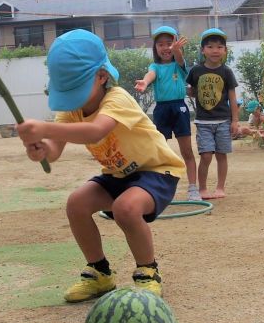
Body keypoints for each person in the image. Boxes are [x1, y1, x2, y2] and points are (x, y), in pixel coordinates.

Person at [17, 29, 186, 303]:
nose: (73, 97)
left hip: (156, 171)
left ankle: (147, 271)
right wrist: (40, 150)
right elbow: (54, 151)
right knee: (77, 203)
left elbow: (96, 131)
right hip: (118, 175)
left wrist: (43, 127)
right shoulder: (70, 109)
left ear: (102, 76)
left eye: (77, 88)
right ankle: (100, 272)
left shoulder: (117, 99)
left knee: (125, 208)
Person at [134, 25, 201, 201]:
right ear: (155, 48)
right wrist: (145, 82)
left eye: (169, 43)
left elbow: (179, 58)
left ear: (176, 45)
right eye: (161, 44)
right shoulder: (154, 66)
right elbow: (150, 74)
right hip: (161, 110)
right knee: (160, 151)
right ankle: (158, 189)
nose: (166, 48)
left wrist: (177, 51)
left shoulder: (179, 66)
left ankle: (193, 189)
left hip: (179, 108)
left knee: (187, 151)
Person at [185, 28, 239, 199]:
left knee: (221, 155)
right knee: (206, 155)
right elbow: (192, 91)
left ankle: (220, 188)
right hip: (203, 122)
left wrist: (235, 121)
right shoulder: (195, 71)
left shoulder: (226, 71)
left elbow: (232, 96)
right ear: (203, 50)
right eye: (210, 47)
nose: (215, 51)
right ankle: (202, 189)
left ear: (225, 51)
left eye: (219, 47)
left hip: (223, 120)